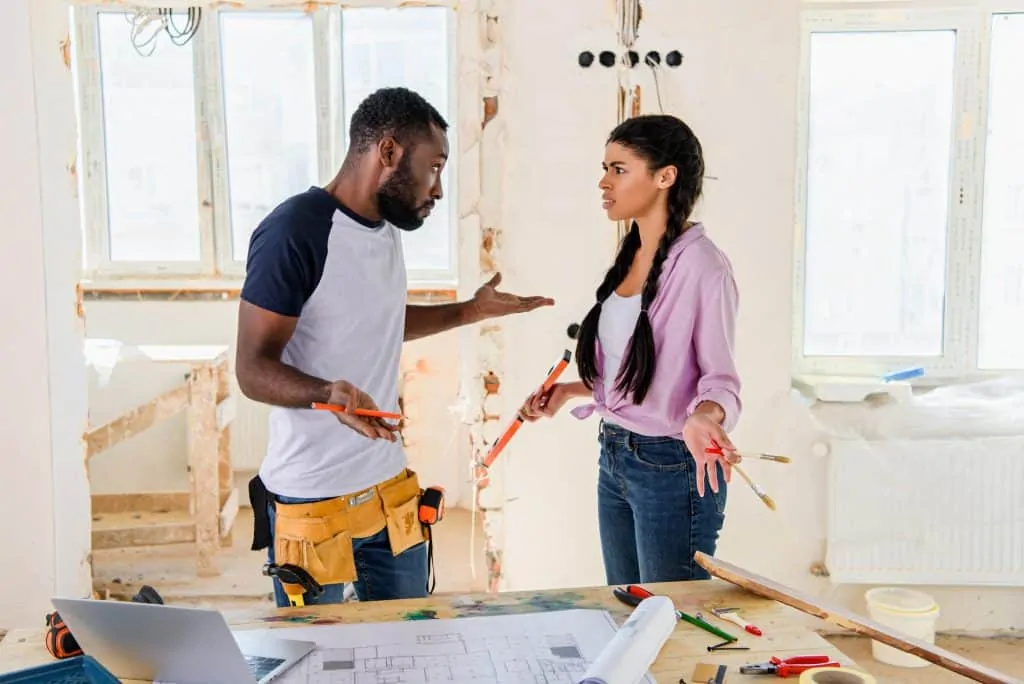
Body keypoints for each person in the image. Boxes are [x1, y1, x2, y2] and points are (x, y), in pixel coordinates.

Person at [235, 86, 553, 607]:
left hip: (388, 489)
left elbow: (375, 322)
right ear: (387, 153)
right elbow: (251, 369)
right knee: (318, 659)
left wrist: (470, 311)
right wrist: (326, 393)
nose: (439, 189)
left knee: (409, 646)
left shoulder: (384, 229)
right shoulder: (296, 231)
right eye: (434, 167)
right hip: (310, 499)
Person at [521, 114, 741, 585]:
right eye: (605, 168)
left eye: (619, 169)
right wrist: (574, 390)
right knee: (625, 612)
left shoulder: (704, 267)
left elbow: (720, 379)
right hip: (615, 452)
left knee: (669, 624)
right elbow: (643, 369)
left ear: (665, 176)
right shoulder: (632, 253)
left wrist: (705, 417)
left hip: (671, 466)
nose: (603, 182)